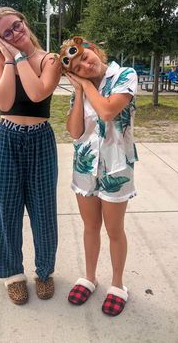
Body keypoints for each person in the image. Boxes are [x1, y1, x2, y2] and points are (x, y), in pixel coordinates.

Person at [59, 36, 138, 316]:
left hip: (116, 166)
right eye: (77, 66)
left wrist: (84, 85)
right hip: (85, 167)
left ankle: (118, 285)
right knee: (90, 227)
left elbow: (107, 111)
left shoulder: (125, 75)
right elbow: (75, 131)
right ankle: (89, 277)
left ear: (93, 49)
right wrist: (79, 92)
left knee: (114, 230)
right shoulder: (81, 88)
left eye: (84, 56)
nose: (84, 64)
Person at [0, 7, 61, 305]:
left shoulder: (49, 60)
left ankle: (44, 272)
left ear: (25, 23)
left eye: (17, 25)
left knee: (44, 212)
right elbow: (2, 101)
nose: (15, 33)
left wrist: (19, 57)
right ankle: (12, 274)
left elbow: (37, 93)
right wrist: (7, 58)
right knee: (6, 211)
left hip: (41, 141)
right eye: (7, 32)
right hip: (6, 139)